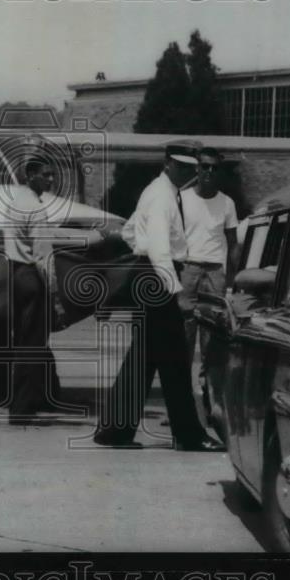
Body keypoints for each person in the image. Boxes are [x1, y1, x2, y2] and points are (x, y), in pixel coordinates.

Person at [92, 141, 207, 450]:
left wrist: (142, 254)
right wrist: (176, 290)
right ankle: (189, 436)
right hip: (158, 278)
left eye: (190, 168)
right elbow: (158, 248)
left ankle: (114, 431)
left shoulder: (158, 192)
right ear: (168, 163)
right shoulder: (162, 197)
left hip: (149, 276)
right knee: (174, 362)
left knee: (144, 360)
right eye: (181, 166)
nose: (187, 172)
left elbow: (130, 232)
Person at [3, 152, 63, 422]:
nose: (50, 180)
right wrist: (55, 294)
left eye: (52, 175)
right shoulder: (36, 209)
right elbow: (43, 255)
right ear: (30, 176)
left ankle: (20, 401)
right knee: (33, 344)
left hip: (15, 273)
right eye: (45, 174)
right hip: (31, 276)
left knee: (22, 340)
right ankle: (22, 409)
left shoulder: (15, 202)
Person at [178, 147, 240, 360]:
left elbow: (233, 243)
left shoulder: (227, 203)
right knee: (184, 328)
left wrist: (233, 282)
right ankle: (182, 384)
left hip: (215, 272)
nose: (209, 172)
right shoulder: (182, 199)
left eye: (215, 168)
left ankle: (208, 387)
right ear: (197, 168)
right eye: (205, 166)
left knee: (213, 330)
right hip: (187, 269)